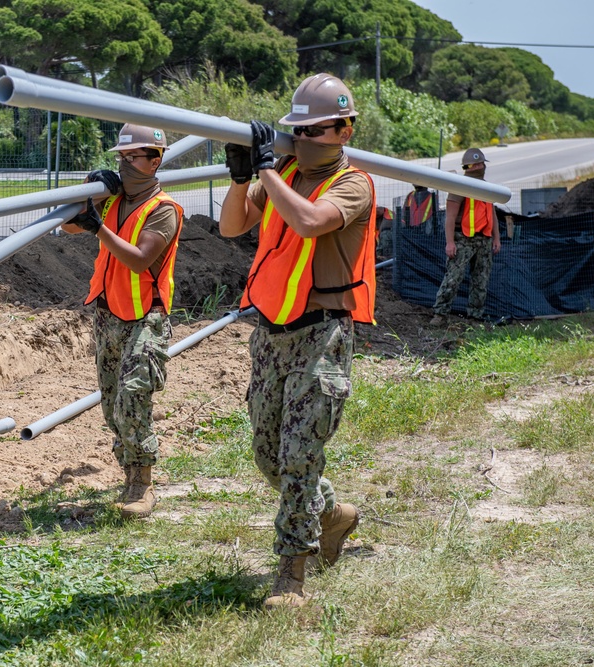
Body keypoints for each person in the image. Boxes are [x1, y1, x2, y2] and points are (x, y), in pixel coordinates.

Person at [219, 73, 375, 608]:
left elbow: (310, 222)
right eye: (298, 131)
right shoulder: (282, 175)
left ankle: (292, 576)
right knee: (268, 452)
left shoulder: (353, 183)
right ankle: (331, 517)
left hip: (321, 334)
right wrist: (243, 179)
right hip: (271, 333)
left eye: (316, 131)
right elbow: (231, 228)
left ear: (343, 131)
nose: (303, 140)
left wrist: (267, 168)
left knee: (300, 453)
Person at [62, 123, 184, 520]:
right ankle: (128, 472)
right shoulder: (113, 201)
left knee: (134, 395)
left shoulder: (163, 209)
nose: (126, 164)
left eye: (134, 157)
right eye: (122, 157)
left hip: (145, 317)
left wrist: (98, 227)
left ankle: (142, 484)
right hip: (108, 314)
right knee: (113, 404)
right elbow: (66, 224)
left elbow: (138, 258)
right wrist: (87, 190)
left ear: (156, 160)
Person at [429, 148, 501, 326]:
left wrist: (496, 239)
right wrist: (450, 242)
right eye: (475, 164)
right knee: (453, 278)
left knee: (480, 279)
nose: (479, 166)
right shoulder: (459, 186)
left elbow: (492, 215)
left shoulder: (486, 187)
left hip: (483, 240)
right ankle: (440, 314)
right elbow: (450, 217)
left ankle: (475, 316)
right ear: (467, 167)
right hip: (463, 239)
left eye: (481, 163)